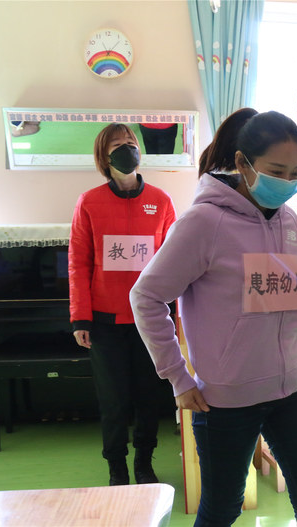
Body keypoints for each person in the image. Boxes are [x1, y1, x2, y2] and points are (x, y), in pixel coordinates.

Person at [130, 108, 297, 527]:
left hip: (289, 390)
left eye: (296, 172)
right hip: (225, 401)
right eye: (277, 170)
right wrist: (177, 377)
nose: (288, 182)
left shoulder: (290, 221)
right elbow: (147, 297)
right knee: (222, 509)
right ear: (242, 163)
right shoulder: (204, 222)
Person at [68, 123, 177, 485]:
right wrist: (80, 318)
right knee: (114, 401)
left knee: (149, 397)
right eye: (118, 144)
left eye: (131, 142)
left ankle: (144, 462)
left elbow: (173, 261)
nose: (127, 147)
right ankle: (116, 467)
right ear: (104, 156)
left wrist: (175, 313)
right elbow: (78, 262)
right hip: (104, 321)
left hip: (149, 319)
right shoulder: (89, 201)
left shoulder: (161, 201)